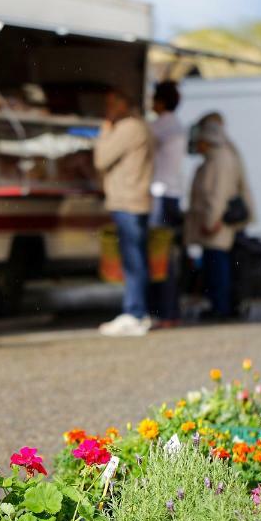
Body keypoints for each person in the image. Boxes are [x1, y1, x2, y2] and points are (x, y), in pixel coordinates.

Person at [94, 89, 154, 336]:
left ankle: (134, 312)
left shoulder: (128, 128)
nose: (107, 109)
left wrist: (106, 129)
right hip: (136, 199)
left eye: (111, 104)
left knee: (133, 260)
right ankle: (137, 311)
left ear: (124, 105)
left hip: (127, 201)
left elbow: (101, 158)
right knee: (136, 257)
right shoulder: (140, 127)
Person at [185, 119, 249, 319]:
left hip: (217, 224)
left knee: (218, 267)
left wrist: (212, 221)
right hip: (215, 221)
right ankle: (218, 305)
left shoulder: (220, 160)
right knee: (215, 265)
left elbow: (218, 195)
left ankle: (220, 307)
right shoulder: (218, 158)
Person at [149, 81, 186, 325]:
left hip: (160, 196)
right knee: (169, 257)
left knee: (159, 258)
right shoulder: (178, 125)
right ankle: (170, 311)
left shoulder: (160, 126)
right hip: (173, 195)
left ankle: (164, 312)